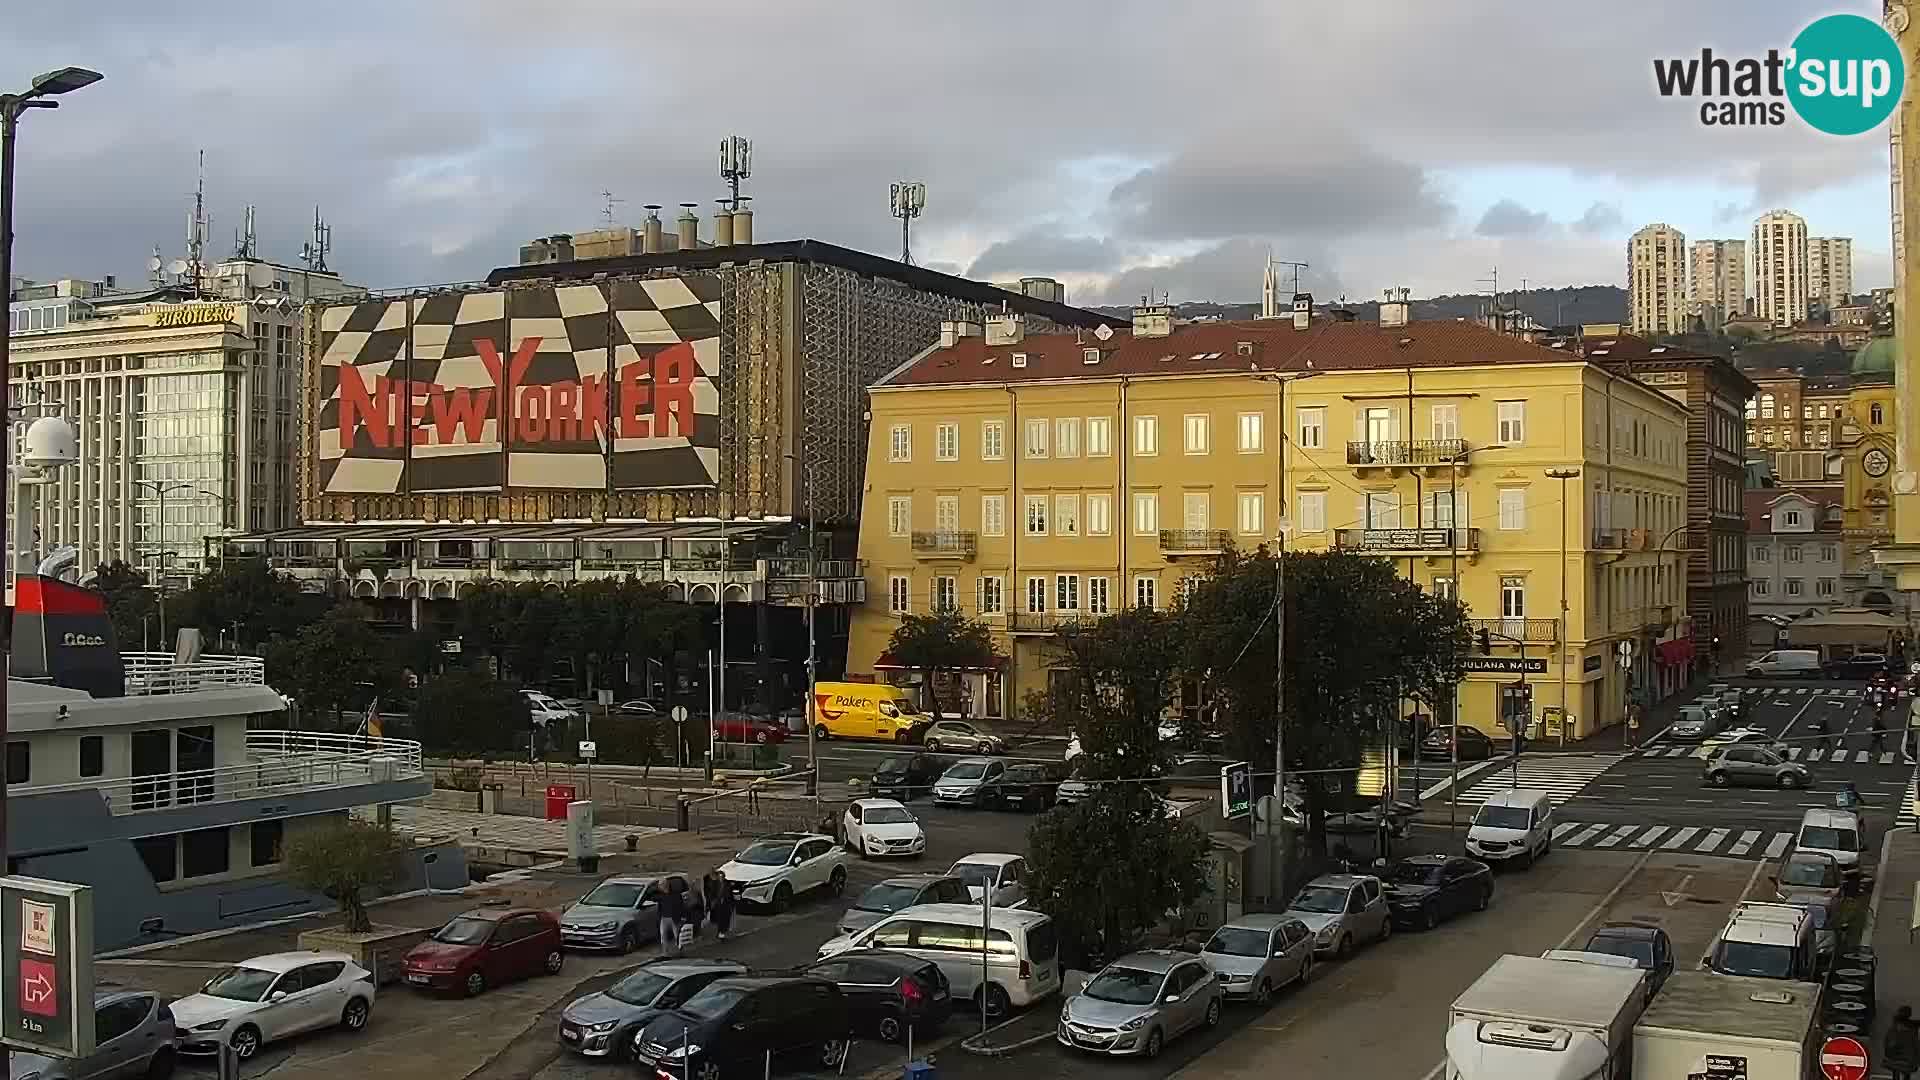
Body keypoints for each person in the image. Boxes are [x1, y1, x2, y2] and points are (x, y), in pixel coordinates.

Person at [1886, 1004, 1920, 1080]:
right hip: (1908, 1055)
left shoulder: (1895, 1025)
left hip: (1896, 1053)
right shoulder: (1912, 1025)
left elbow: (1889, 1040)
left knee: (1896, 1071)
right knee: (1906, 1072)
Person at [657, 875, 686, 957]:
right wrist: (659, 916)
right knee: (663, 936)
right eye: (660, 886)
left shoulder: (676, 895)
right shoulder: (661, 896)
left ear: (666, 885)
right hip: (664, 918)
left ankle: (680, 951)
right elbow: (660, 907)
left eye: (661, 885)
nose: (660, 887)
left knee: (677, 935)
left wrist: (683, 917)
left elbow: (681, 906)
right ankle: (665, 953)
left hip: (675, 918)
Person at [704, 869, 735, 941]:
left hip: (726, 904)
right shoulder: (714, 884)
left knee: (725, 919)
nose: (720, 878)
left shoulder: (727, 884)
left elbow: (730, 894)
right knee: (720, 919)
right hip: (718, 905)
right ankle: (720, 933)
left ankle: (722, 932)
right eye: (719, 876)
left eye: (722, 876)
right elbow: (711, 894)